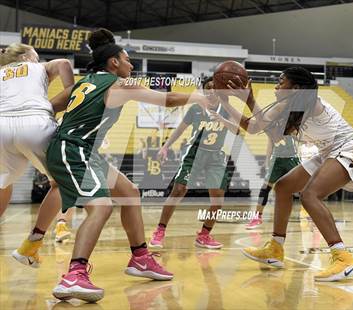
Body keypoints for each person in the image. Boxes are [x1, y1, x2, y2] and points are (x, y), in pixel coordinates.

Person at [13, 28, 211, 303]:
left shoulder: (82, 84)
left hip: (82, 150)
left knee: (129, 192)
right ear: (114, 62)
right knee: (101, 207)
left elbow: (49, 107)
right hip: (73, 150)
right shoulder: (119, 84)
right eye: (128, 59)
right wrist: (198, 97)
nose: (131, 65)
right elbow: (167, 100)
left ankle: (140, 257)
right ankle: (74, 274)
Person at [219, 66, 353, 282]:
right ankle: (275, 249)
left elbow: (264, 124)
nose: (276, 86)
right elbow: (255, 127)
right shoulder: (285, 107)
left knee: (310, 195)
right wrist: (237, 101)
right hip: (328, 151)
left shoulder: (309, 103)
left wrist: (250, 100)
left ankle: (343, 257)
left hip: (349, 147)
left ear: (296, 88)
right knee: (283, 187)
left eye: (281, 82)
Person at [149, 77, 239, 249]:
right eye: (208, 88)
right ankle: (160, 231)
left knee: (218, 199)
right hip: (194, 153)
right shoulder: (196, 108)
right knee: (178, 190)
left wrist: (222, 120)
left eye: (214, 87)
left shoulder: (227, 109)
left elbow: (237, 130)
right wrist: (165, 147)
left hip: (216, 156)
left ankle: (204, 235)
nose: (211, 90)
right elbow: (180, 129)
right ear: (204, 91)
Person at [0, 43, 73, 219]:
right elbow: (64, 63)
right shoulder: (36, 67)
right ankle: (38, 235)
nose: (38, 60)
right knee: (61, 183)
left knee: (3, 184)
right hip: (35, 122)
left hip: (2, 125)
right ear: (25, 57)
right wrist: (71, 93)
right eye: (36, 56)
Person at [245, 136, 299, 229]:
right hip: (276, 160)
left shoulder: (293, 124)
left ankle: (314, 216)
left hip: (291, 159)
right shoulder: (273, 127)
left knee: (304, 188)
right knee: (265, 188)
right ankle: (257, 217)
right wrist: (266, 162)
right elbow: (270, 144)